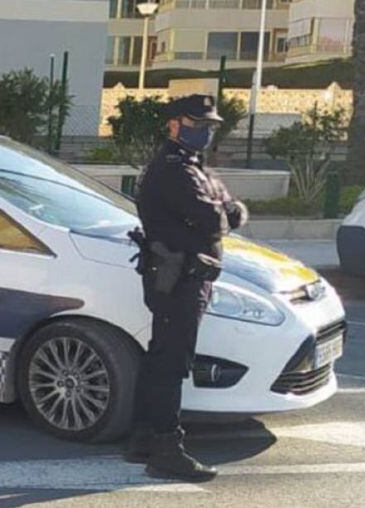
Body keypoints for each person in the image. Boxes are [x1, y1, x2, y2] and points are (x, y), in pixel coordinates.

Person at [124, 93, 247, 482]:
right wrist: (222, 210)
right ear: (174, 124)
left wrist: (223, 210)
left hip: (187, 276)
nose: (204, 132)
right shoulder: (172, 168)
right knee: (171, 362)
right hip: (177, 277)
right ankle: (165, 448)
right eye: (196, 124)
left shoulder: (194, 166)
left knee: (162, 356)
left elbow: (233, 209)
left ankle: (144, 438)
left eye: (209, 126)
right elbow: (215, 218)